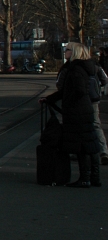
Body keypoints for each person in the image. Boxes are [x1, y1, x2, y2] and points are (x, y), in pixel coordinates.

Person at [41, 42, 101, 187]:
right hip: (85, 109)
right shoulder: (87, 67)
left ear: (73, 52)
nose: (65, 52)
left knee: (81, 146)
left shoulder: (75, 69)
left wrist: (68, 103)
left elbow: (76, 91)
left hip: (77, 111)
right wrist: (49, 99)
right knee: (90, 143)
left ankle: (84, 178)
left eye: (67, 50)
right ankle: (94, 177)